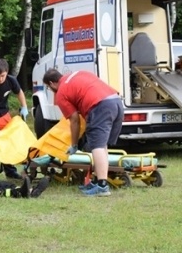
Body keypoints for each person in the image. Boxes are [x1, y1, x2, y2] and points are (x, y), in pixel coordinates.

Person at [42, 68, 124, 197]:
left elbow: (74, 120)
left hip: (99, 106)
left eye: (48, 87)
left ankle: (102, 186)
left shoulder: (61, 93)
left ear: (52, 83)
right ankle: (98, 181)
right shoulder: (79, 73)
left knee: (96, 146)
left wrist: (74, 144)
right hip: (116, 101)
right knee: (102, 146)